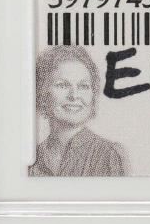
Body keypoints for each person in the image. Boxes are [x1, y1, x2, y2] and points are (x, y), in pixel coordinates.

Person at [30, 46, 125, 176]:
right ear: (42, 92)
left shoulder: (108, 154)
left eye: (83, 86)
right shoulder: (32, 157)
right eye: (62, 85)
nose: (74, 96)